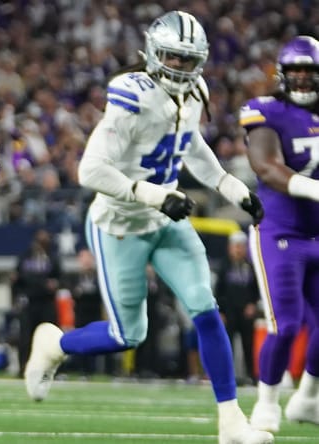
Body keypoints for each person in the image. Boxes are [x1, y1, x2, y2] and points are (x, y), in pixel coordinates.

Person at [24, 11, 273, 444]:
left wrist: (231, 186)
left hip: (165, 220)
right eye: (172, 58)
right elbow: (90, 170)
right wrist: (156, 195)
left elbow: (189, 143)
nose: (179, 67)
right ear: (153, 55)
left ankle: (231, 422)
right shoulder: (131, 94)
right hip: (119, 226)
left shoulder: (195, 92)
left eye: (187, 59)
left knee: (205, 310)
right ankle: (54, 347)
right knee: (129, 335)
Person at [241, 35, 319, 433]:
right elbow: (266, 166)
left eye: (310, 71)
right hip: (280, 231)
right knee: (285, 324)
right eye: (296, 71)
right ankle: (267, 401)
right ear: (283, 75)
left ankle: (307, 397)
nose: (303, 78)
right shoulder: (265, 111)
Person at [12, 228, 61, 376]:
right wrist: (16, 298)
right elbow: (17, 279)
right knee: (26, 337)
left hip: (46, 302)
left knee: (48, 337)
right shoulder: (25, 257)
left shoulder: (52, 258)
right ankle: (24, 368)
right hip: (29, 302)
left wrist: (55, 284)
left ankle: (48, 369)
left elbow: (60, 278)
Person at [214, 231, 258, 385]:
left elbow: (256, 289)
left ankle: (251, 376)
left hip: (246, 312)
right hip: (229, 312)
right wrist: (220, 311)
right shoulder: (224, 267)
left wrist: (253, 304)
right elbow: (218, 290)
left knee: (248, 345)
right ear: (230, 248)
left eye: (241, 246)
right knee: (228, 346)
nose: (238, 250)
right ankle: (227, 377)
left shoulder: (250, 267)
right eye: (236, 246)